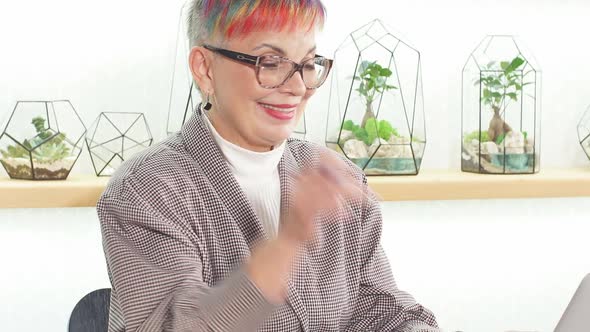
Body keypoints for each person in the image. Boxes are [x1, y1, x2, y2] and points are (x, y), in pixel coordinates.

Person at [97, 0, 440, 331]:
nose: (297, 87)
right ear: (205, 68)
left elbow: (383, 311)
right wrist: (288, 241)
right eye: (270, 61)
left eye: (307, 64)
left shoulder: (337, 175)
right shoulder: (146, 191)